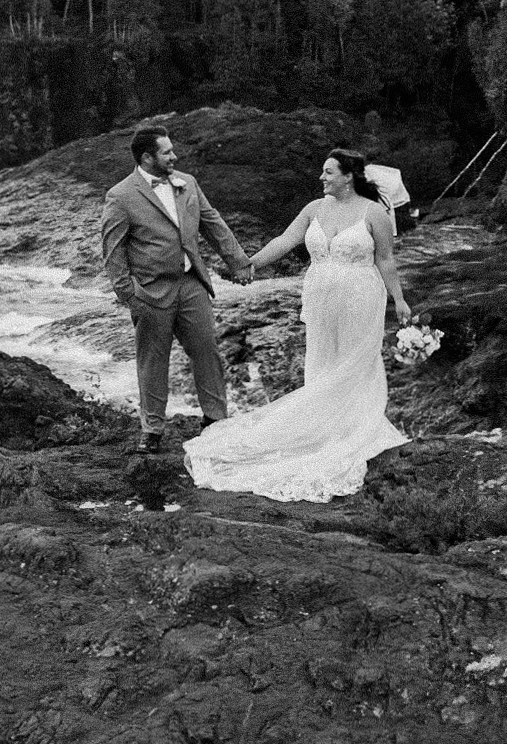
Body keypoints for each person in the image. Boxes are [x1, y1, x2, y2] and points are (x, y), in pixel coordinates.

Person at [182, 146, 412, 501]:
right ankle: (320, 428)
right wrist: (249, 266)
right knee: (323, 361)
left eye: (329, 172)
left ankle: (353, 429)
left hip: (361, 296)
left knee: (355, 363)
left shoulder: (374, 213)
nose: (321, 178)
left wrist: (399, 299)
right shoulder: (313, 209)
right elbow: (285, 241)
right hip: (320, 296)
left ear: (349, 177)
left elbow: (385, 260)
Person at [100, 127, 252, 453]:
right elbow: (113, 254)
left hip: (191, 284)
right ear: (147, 157)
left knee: (207, 350)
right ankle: (152, 429)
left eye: (172, 151)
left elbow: (213, 223)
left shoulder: (188, 183)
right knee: (153, 360)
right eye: (167, 152)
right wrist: (131, 296)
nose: (174, 156)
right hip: (151, 292)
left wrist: (239, 263)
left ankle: (216, 421)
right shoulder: (121, 195)